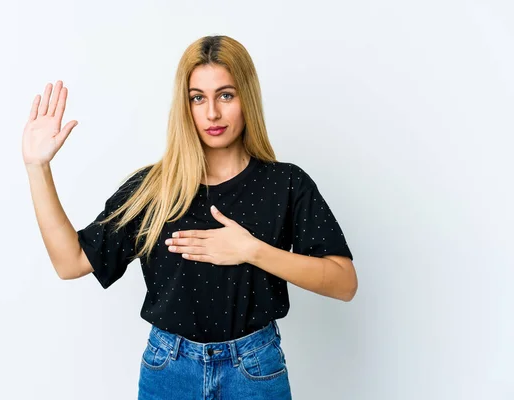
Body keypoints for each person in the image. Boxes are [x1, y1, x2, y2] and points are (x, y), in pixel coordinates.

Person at [23, 35, 357, 400]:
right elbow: (69, 262)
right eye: (198, 98)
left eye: (225, 95)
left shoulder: (286, 184)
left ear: (247, 98)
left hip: (254, 370)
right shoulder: (153, 189)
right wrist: (37, 168)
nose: (212, 113)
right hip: (169, 371)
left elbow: (344, 283)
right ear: (185, 106)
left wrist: (251, 250)